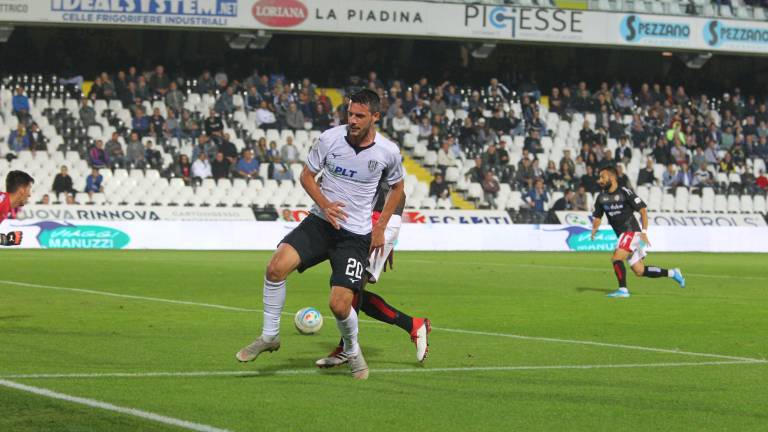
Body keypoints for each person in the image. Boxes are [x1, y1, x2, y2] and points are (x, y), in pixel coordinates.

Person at [235, 90, 404, 380]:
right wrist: (325, 205)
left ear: (375, 117)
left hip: (355, 235)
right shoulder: (329, 139)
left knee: (339, 305)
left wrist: (380, 227)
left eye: (360, 115)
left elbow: (397, 188)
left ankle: (352, 350)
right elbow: (306, 176)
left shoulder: (387, 152)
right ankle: (270, 336)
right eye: (350, 113)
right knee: (275, 268)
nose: (352, 120)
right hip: (321, 222)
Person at [316, 176, 430, 368]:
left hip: (378, 221)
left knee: (353, 284)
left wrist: (385, 229)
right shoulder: (348, 159)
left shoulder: (376, 152)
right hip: (364, 221)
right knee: (346, 286)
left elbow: (398, 191)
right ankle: (412, 324)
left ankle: (346, 348)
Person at [590, 166, 685, 298]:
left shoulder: (624, 192)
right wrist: (595, 228)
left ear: (612, 177)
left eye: (602, 177)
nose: (599, 180)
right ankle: (673, 273)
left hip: (631, 232)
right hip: (623, 235)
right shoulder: (601, 197)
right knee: (639, 271)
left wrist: (644, 231)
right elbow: (598, 216)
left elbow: (643, 210)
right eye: (599, 177)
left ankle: (623, 290)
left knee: (616, 258)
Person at [0, 171, 34, 246]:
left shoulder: (5, 206)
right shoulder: (2, 202)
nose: (29, 195)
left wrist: (5, 239)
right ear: (22, 190)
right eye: (29, 189)